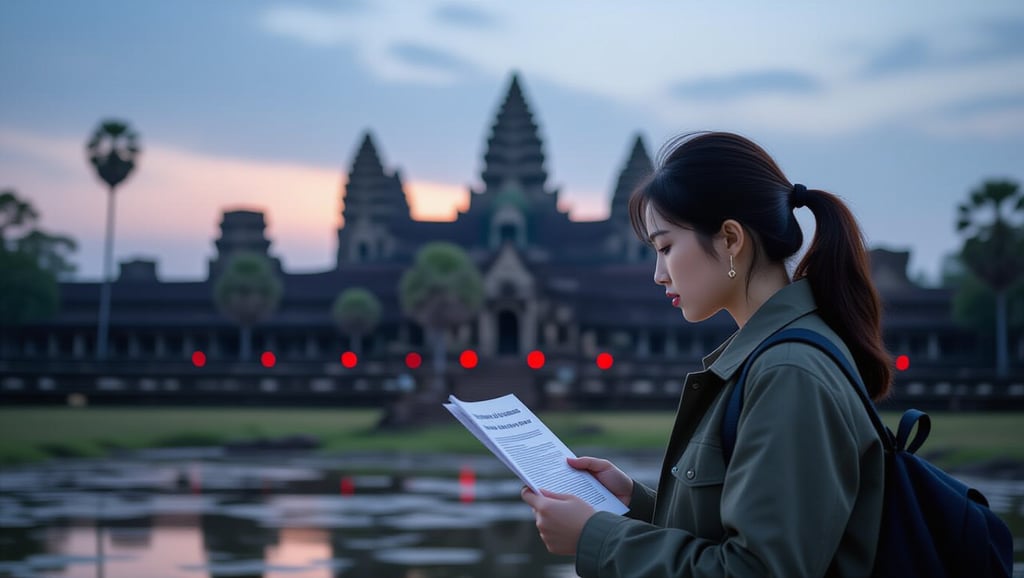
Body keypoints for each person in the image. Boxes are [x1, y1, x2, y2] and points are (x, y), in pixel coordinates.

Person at [521, 131, 890, 577]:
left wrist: (595, 538)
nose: (658, 274)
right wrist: (633, 504)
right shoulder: (769, 360)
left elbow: (757, 571)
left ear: (731, 239)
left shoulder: (788, 372)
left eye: (666, 248)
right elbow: (736, 535)